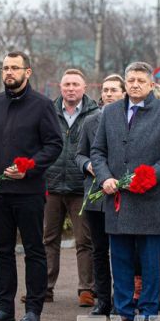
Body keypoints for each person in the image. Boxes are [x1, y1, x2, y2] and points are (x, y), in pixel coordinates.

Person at [91, 62, 160, 321]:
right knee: (119, 260)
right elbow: (97, 151)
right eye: (130, 80)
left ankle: (147, 315)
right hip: (116, 199)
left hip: (149, 200)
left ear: (151, 84)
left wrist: (150, 175)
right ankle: (123, 314)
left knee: (149, 262)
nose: (134, 85)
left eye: (140, 81)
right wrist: (105, 176)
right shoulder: (109, 113)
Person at [0, 51, 63, 321]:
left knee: (34, 250)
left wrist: (31, 167)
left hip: (29, 192)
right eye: (5, 68)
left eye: (14, 68)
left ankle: (33, 309)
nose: (9, 72)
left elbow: (54, 144)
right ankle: (4, 307)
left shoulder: (42, 105)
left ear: (28, 72)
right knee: (2, 251)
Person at [43, 69, 99, 306]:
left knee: (84, 241)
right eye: (67, 84)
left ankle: (86, 289)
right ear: (60, 87)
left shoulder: (95, 114)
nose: (71, 88)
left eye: (76, 84)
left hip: (80, 186)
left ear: (84, 88)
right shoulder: (48, 112)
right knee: (48, 238)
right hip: (52, 185)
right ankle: (44, 287)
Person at [77, 74, 126, 316]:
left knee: (121, 250)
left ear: (124, 93)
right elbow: (80, 153)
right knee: (99, 250)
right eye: (105, 90)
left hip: (121, 195)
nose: (108, 93)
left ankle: (122, 300)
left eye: (114, 90)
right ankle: (103, 300)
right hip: (95, 196)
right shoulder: (90, 122)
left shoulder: (130, 121)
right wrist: (87, 165)